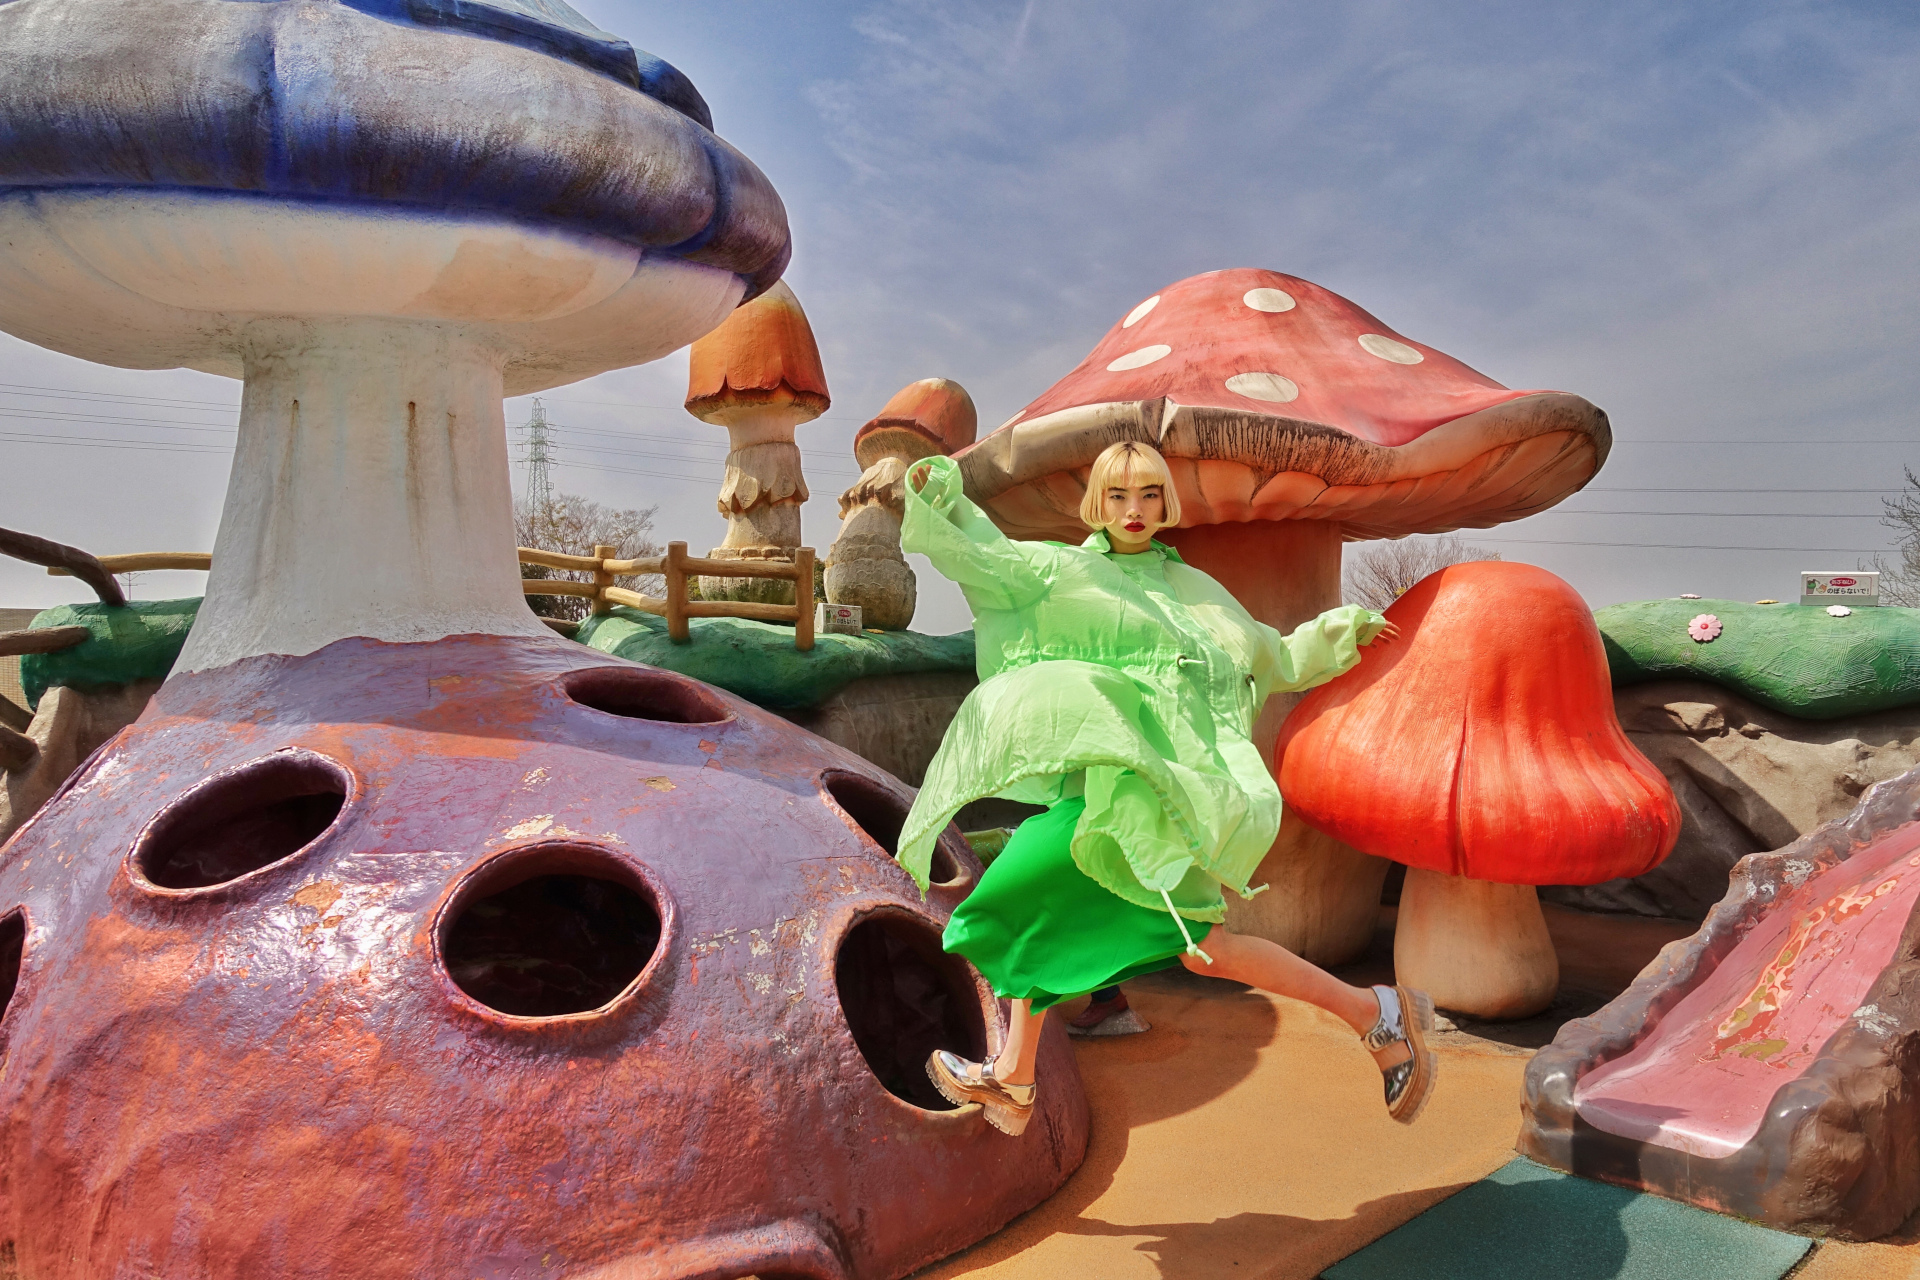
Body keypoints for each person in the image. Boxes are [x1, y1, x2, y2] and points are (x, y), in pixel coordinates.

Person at [891, 440, 1436, 1137]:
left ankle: (1376, 1013)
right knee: (1051, 898)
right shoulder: (1063, 572)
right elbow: (990, 561)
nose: (1135, 510)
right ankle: (1016, 1076)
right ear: (1098, 504)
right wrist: (944, 500)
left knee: (1183, 942)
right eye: (1118, 497)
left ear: (1165, 503)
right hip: (1102, 790)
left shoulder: (1202, 595)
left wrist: (1343, 630)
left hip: (1168, 795)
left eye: (1149, 495)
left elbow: (1271, 655)